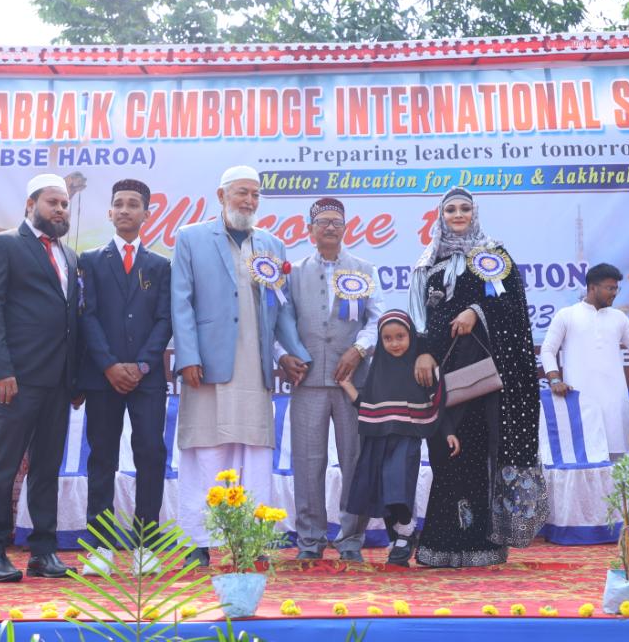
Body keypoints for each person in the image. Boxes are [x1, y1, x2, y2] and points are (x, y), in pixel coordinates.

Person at [170, 165, 311, 568]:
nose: (249, 201)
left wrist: (291, 353)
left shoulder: (271, 244)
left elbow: (281, 309)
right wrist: (188, 357)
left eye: (255, 194)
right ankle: (197, 541)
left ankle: (253, 540)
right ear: (221, 196)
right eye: (241, 193)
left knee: (254, 452)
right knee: (205, 449)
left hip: (254, 366)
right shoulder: (191, 238)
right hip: (206, 365)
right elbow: (181, 301)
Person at [410, 187, 548, 568]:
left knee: (475, 452)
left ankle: (480, 545)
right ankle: (440, 543)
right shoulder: (428, 262)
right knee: (444, 453)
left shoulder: (493, 255)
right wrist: (423, 351)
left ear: (475, 213)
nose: (458, 215)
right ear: (440, 216)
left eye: (464, 209)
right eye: (451, 209)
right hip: (441, 373)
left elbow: (512, 307)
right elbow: (420, 316)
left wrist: (476, 312)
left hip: (482, 377)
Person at [0, 173, 81, 583]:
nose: (60, 209)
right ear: (30, 205)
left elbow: (71, 321)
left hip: (58, 382)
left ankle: (43, 552)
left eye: (65, 204)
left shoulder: (69, 256)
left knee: (46, 469)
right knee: (2, 469)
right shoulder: (2, 244)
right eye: (53, 202)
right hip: (14, 381)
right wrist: (2, 370)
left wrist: (74, 381)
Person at [77, 179, 172, 576]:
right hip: (103, 377)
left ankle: (145, 545)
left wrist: (143, 365)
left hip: (147, 380)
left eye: (134, 204)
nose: (126, 210)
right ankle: (100, 547)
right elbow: (87, 316)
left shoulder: (161, 266)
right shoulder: (90, 261)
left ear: (146, 214)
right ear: (110, 212)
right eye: (119, 203)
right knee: (102, 457)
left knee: (150, 454)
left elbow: (165, 320)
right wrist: (109, 365)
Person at [284, 197, 383, 562]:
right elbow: (280, 321)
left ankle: (351, 540)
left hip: (352, 383)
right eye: (322, 222)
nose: (329, 227)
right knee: (308, 463)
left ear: (346, 228)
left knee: (354, 461)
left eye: (336, 223)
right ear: (309, 230)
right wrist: (284, 354)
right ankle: (310, 541)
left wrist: (358, 349)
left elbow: (377, 319)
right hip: (307, 380)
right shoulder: (293, 272)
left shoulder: (364, 269)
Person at [540, 262, 629, 459]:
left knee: (618, 460)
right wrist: (555, 380)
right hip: (581, 399)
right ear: (592, 287)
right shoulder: (567, 315)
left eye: (617, 288)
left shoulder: (619, 318)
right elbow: (548, 350)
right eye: (610, 288)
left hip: (615, 401)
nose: (615, 293)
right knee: (583, 456)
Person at [339, 310, 441, 566]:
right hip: (379, 437)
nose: (394, 343)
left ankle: (406, 531)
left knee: (397, 484)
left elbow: (437, 398)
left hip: (406, 437)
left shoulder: (419, 367)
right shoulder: (379, 370)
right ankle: (398, 539)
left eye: (400, 337)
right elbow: (368, 405)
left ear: (411, 336)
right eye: (387, 338)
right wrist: (347, 386)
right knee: (384, 488)